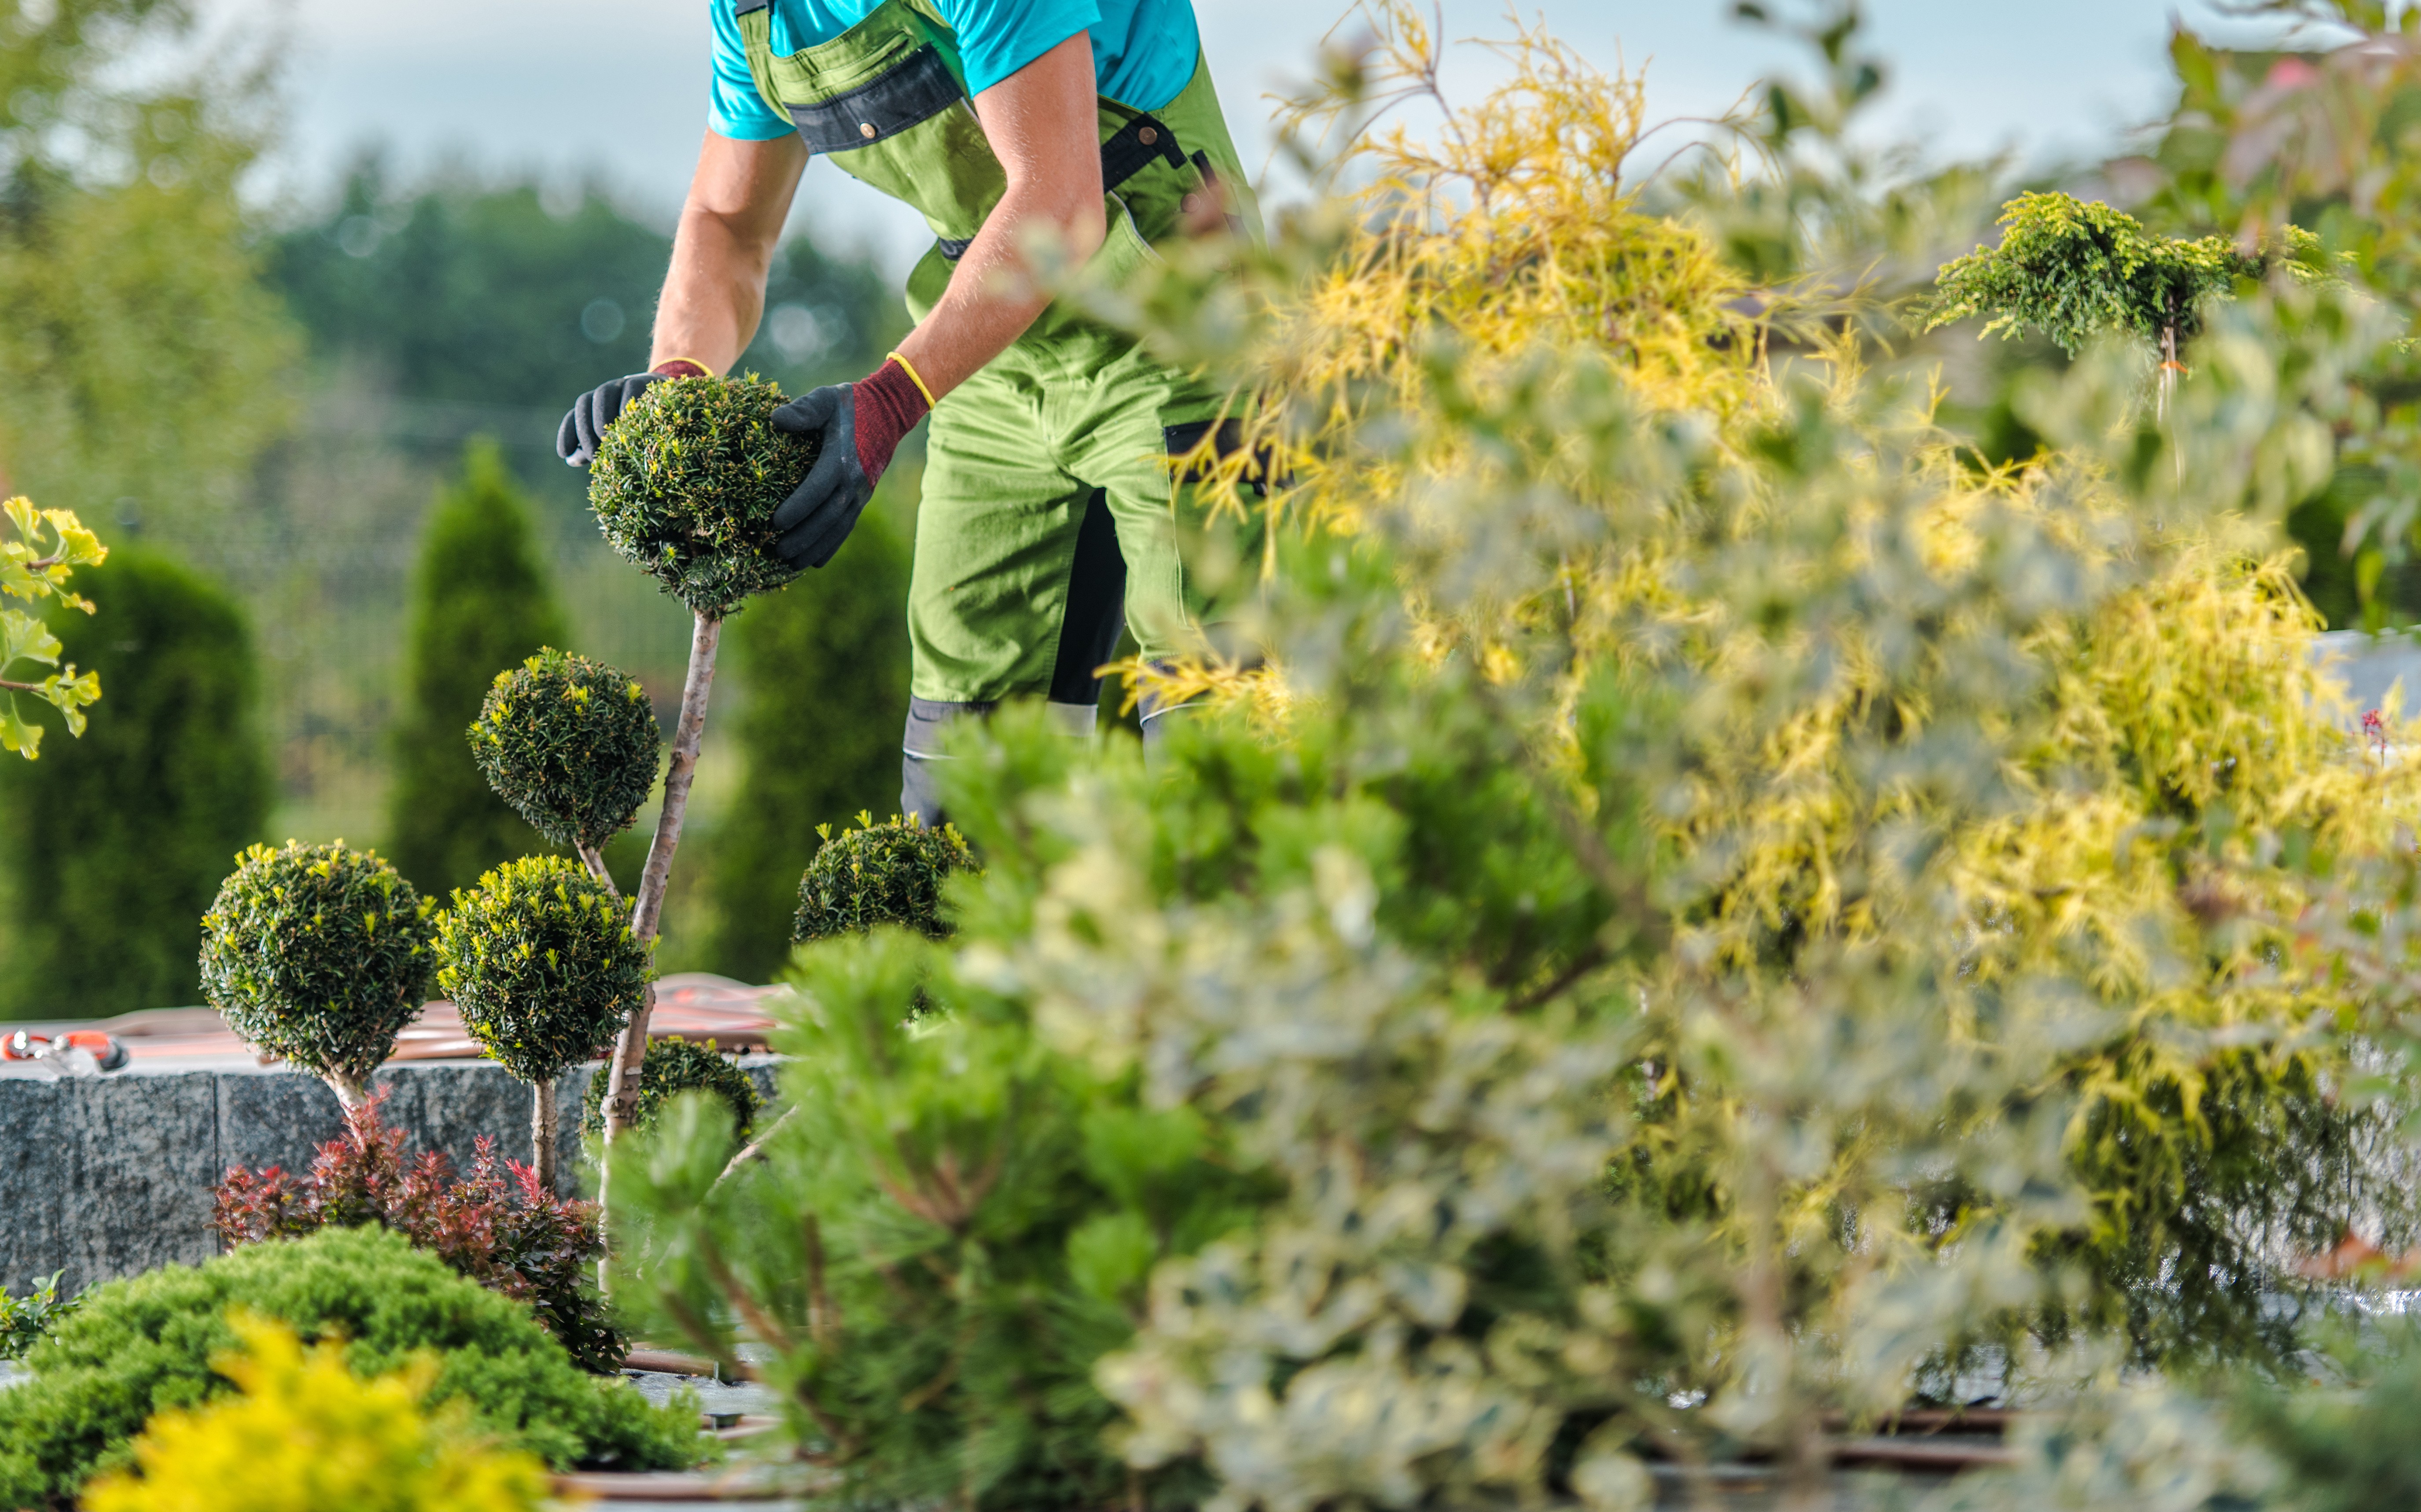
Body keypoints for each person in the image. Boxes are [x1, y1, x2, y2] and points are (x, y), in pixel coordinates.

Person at [556, 0, 1263, 824]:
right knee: (964, 760)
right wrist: (679, 375)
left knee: (1226, 720)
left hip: (1175, 317)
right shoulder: (754, 15)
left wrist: (891, 400)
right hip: (996, 350)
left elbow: (1061, 207)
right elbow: (728, 222)